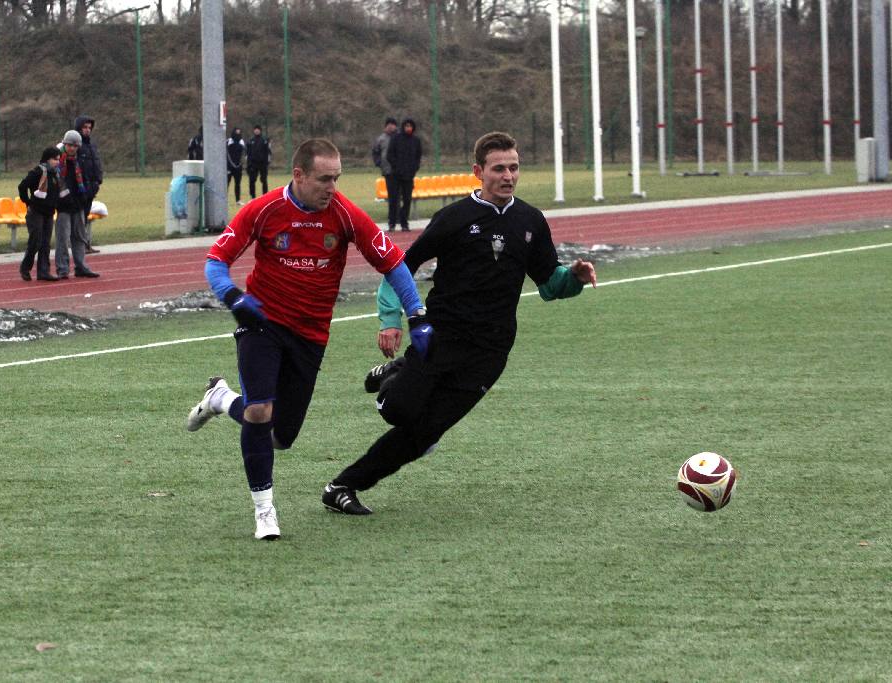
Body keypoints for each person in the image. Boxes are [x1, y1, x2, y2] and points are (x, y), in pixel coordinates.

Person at [320, 131, 598, 516]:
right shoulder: (454, 218)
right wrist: (390, 319)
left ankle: (342, 486)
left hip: (490, 351)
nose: (508, 176)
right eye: (498, 168)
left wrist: (574, 278)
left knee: (423, 433)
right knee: (398, 410)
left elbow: (550, 285)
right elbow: (400, 266)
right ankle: (395, 372)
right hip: (441, 338)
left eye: (514, 168)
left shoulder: (530, 221)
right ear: (478, 172)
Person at [184, 138, 433, 541]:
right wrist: (233, 297)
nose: (332, 187)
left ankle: (221, 399)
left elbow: (393, 264)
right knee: (260, 412)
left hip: (310, 334)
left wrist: (416, 314)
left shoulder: (345, 214)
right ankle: (265, 512)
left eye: (337, 178)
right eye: (324, 179)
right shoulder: (264, 210)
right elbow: (216, 261)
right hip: (261, 323)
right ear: (298, 175)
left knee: (280, 437)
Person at [54, 130, 99, 279]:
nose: (72, 148)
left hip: (78, 203)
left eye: (75, 146)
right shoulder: (57, 160)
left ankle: (81, 266)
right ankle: (62, 268)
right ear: (64, 144)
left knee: (80, 236)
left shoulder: (80, 160)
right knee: (63, 238)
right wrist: (62, 198)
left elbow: (86, 178)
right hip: (63, 204)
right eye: (69, 145)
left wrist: (87, 193)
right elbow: (56, 182)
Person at [18, 147, 62, 282]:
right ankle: (25, 268)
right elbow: (22, 186)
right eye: (55, 159)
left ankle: (43, 271)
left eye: (59, 159)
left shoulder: (56, 174)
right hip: (36, 212)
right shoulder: (38, 171)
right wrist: (27, 201)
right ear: (47, 159)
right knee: (35, 242)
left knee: (45, 243)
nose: (57, 162)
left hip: (49, 212)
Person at [385, 118, 422, 232]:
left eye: (410, 126)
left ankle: (404, 223)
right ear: (403, 127)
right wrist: (397, 168)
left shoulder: (416, 141)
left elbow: (418, 156)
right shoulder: (396, 139)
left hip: (409, 176)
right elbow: (389, 155)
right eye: (406, 126)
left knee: (407, 200)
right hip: (395, 176)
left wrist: (414, 168)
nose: (408, 128)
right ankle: (392, 223)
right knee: (393, 200)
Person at [73, 115, 103, 255]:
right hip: (80, 188)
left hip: (91, 187)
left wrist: (98, 181)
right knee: (79, 218)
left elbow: (97, 164)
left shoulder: (92, 145)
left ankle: (84, 245)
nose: (87, 130)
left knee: (84, 217)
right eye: (85, 127)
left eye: (89, 128)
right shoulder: (75, 146)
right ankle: (80, 246)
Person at [372, 117, 398, 231]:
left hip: (400, 172)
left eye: (393, 124)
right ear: (386, 126)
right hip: (388, 171)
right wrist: (379, 163)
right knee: (392, 197)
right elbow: (375, 152)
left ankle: (400, 218)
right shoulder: (381, 139)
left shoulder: (399, 137)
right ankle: (392, 221)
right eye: (389, 124)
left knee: (400, 196)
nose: (391, 126)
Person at [246, 125, 271, 199]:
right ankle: (252, 197)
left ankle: (265, 196)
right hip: (253, 164)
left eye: (258, 129)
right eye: (255, 129)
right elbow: (248, 153)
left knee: (264, 180)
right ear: (254, 131)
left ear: (260, 130)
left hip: (262, 164)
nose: (256, 131)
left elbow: (268, 152)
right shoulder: (250, 140)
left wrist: (267, 162)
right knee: (252, 180)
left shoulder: (265, 140)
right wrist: (249, 164)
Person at [226, 127, 245, 205]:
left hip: (238, 167)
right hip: (229, 166)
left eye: (239, 132)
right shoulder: (228, 141)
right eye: (236, 132)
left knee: (237, 183)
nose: (237, 134)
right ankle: (224, 200)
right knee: (226, 183)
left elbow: (244, 154)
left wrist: (241, 164)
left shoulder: (241, 142)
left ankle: (238, 200)